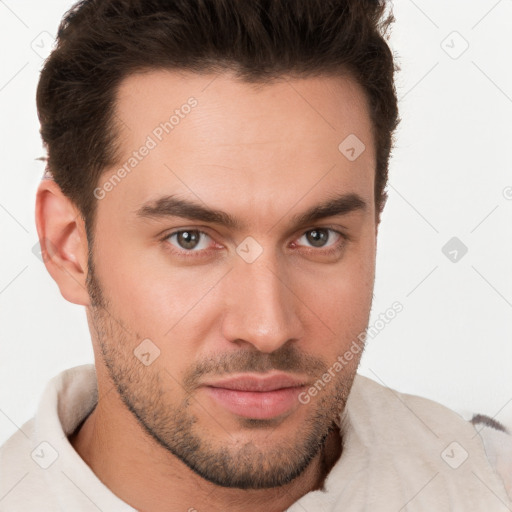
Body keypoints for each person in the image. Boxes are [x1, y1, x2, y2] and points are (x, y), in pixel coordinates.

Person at [0, 0, 510, 510]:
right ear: (68, 247)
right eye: (190, 239)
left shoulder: (486, 484)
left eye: (317, 236)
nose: (267, 327)